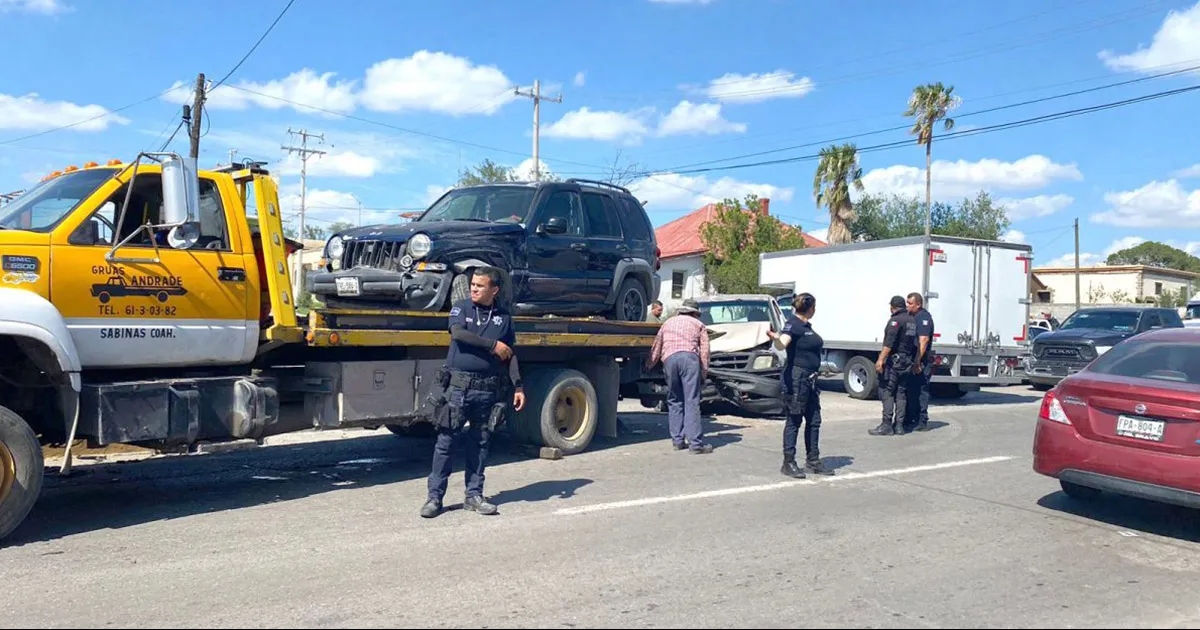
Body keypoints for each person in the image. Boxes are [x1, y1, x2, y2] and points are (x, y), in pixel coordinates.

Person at [421, 267, 526, 518]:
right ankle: (435, 498)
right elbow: (458, 334)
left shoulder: (503, 317)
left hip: (487, 389)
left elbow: (509, 354)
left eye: (480, 285)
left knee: (480, 444)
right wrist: (492, 345)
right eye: (473, 284)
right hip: (458, 388)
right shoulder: (461, 308)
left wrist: (518, 386)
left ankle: (474, 495)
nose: (474, 288)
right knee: (446, 443)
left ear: (494, 290)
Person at [767, 292, 835, 478]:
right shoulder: (793, 324)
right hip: (797, 379)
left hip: (810, 380)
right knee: (794, 420)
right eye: (815, 307)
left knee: (814, 421)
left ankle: (813, 461)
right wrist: (775, 338)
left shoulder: (805, 325)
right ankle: (788, 463)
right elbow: (782, 344)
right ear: (810, 308)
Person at [646, 298, 713, 454]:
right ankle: (695, 444)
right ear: (695, 313)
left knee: (674, 399)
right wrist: (703, 372)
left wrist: (649, 364)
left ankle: (677, 441)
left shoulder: (668, 323)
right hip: (689, 360)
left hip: (669, 359)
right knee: (691, 400)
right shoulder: (699, 325)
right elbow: (705, 351)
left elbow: (657, 347)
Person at [870, 296, 917, 436]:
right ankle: (899, 426)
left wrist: (880, 360)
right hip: (907, 361)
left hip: (895, 362)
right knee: (901, 393)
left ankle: (886, 425)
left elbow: (888, 344)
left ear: (892, 307)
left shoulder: (895, 321)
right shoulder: (911, 321)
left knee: (888, 391)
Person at [906, 292, 936, 432]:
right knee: (912, 391)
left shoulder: (923, 317)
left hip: (922, 362)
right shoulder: (913, 317)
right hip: (913, 360)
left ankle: (922, 420)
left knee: (921, 391)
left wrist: (917, 362)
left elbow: (923, 341)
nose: (907, 305)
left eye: (910, 303)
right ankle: (912, 417)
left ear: (918, 304)